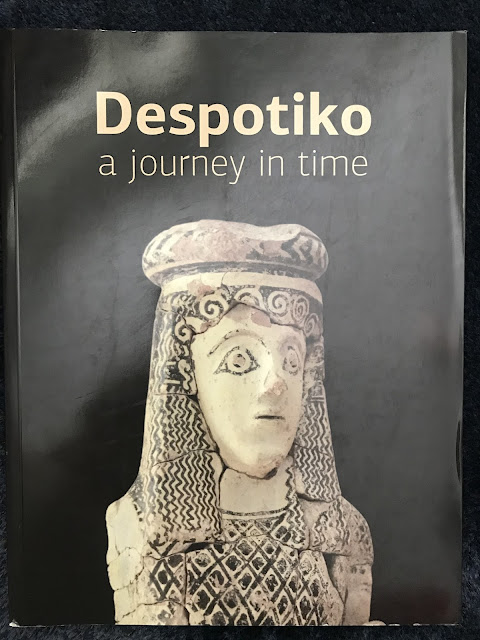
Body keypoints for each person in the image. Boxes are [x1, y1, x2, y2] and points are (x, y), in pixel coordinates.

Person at [106, 220, 374, 626]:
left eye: (292, 361)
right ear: (186, 375)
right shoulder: (142, 528)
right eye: (239, 360)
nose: (276, 384)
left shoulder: (347, 533)